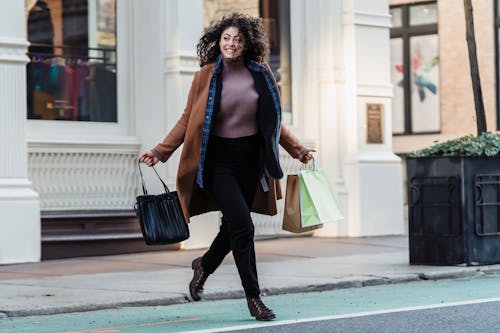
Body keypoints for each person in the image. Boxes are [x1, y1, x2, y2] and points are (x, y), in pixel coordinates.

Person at [139, 12, 313, 321]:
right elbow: (187, 119)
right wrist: (160, 151)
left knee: (233, 227)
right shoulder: (205, 75)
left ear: (247, 43)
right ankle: (254, 297)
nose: (231, 44)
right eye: (226, 39)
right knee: (243, 227)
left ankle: (203, 266)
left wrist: (298, 149)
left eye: (238, 39)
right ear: (219, 41)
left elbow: (273, 122)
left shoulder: (261, 73)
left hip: (250, 161)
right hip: (217, 160)